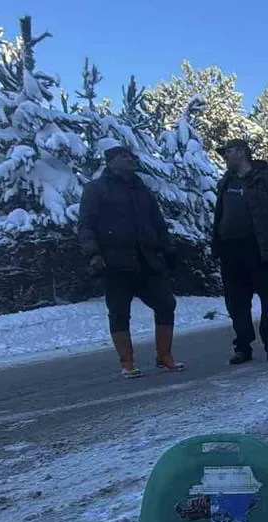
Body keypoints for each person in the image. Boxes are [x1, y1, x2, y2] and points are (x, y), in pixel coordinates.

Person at [78, 145, 185, 378]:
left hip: (147, 260)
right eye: (123, 156)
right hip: (114, 262)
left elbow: (157, 223)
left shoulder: (142, 190)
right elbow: (86, 225)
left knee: (166, 304)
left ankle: (164, 355)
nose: (129, 159)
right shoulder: (96, 189)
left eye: (130, 156)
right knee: (119, 312)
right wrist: (93, 253)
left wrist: (168, 249)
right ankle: (127, 362)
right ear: (110, 161)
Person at [211, 138, 268, 364]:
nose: (225, 157)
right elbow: (219, 214)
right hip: (231, 249)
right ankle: (243, 346)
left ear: (242, 152)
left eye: (228, 151)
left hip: (262, 249)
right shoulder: (226, 183)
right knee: (236, 300)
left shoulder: (267, 179)